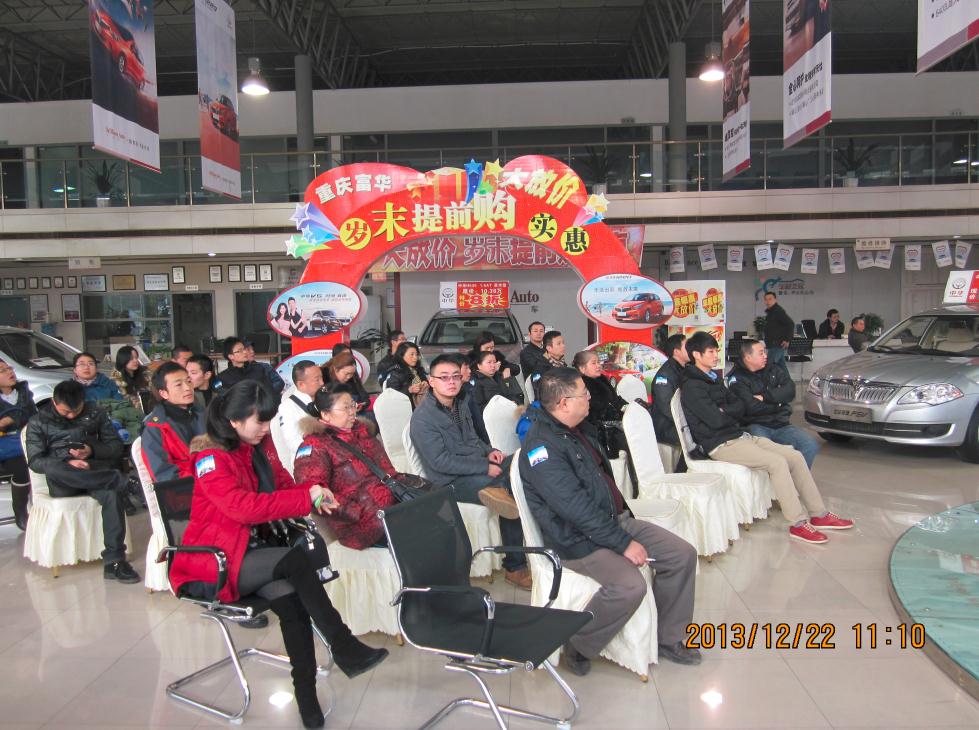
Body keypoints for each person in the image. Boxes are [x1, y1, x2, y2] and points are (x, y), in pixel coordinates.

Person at [168, 382, 388, 728]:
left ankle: (306, 695)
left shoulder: (259, 444)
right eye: (260, 421)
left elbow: (284, 483)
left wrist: (314, 492)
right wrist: (304, 499)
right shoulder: (211, 458)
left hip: (256, 551)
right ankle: (342, 642)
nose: (266, 428)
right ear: (234, 421)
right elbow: (242, 508)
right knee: (293, 562)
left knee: (293, 603)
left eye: (268, 420)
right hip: (215, 558)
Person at [519, 368, 700, 674]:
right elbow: (575, 509)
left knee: (682, 555)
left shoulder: (578, 429)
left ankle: (669, 637)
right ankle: (578, 643)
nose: (590, 397)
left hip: (613, 521)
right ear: (564, 403)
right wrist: (623, 543)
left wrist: (622, 528)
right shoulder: (542, 448)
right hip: (577, 540)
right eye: (584, 393)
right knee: (629, 586)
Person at [679, 332, 853, 544]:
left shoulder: (713, 379)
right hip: (721, 444)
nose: (716, 355)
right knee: (777, 462)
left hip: (739, 436)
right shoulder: (692, 386)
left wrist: (727, 410)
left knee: (795, 457)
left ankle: (819, 514)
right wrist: (728, 411)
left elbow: (740, 407)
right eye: (711, 352)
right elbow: (716, 420)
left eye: (717, 351)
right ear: (696, 355)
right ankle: (798, 523)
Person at [409, 354, 531, 589]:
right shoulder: (423, 419)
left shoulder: (460, 403)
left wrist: (489, 451)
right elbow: (440, 462)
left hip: (476, 467)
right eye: (444, 377)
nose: (451, 382)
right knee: (510, 488)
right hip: (450, 482)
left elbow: (473, 439)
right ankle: (515, 567)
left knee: (521, 463)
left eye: (456, 376)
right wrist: (485, 466)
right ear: (431, 381)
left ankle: (532, 532)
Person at [25, 380, 140, 583]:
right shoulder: (38, 421)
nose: (71, 416)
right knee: (55, 468)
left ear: (83, 401)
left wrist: (91, 450)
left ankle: (114, 562)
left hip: (93, 473)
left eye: (76, 411)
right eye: (65, 412)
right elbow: (35, 461)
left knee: (111, 496)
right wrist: (67, 461)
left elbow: (115, 447)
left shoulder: (96, 413)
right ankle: (120, 481)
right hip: (64, 481)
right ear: (54, 402)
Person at [293, 384, 397, 550]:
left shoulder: (362, 432)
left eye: (353, 405)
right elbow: (313, 494)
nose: (352, 412)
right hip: (363, 525)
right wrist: (358, 512)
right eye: (345, 408)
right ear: (325, 414)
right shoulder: (314, 446)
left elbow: (388, 471)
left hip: (393, 507)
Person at [727, 339, 820, 468]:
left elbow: (790, 390)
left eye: (765, 352)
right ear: (748, 357)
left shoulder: (773, 369)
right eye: (761, 353)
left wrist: (765, 397)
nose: (765, 356)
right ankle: (776, 478)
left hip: (781, 423)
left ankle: (795, 478)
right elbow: (750, 407)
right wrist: (778, 403)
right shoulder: (737, 378)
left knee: (809, 445)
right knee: (768, 454)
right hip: (755, 425)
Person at [140, 362, 206, 483]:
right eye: (178, 385)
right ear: (164, 393)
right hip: (187, 487)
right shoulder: (155, 428)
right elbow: (164, 475)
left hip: (216, 481)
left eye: (189, 381)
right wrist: (204, 477)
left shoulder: (203, 414)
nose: (187, 388)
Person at [0, 359, 37, 530]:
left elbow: (33, 416)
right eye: (2, 370)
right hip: (5, 448)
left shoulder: (24, 392)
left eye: (9, 368)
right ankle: (20, 512)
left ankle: (39, 510)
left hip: (26, 442)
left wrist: (11, 420)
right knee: (21, 465)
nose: (9, 372)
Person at [572, 350, 629, 458]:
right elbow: (596, 410)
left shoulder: (602, 379)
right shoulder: (582, 385)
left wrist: (628, 407)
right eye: (593, 363)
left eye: (598, 362)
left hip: (615, 425)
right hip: (601, 432)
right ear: (582, 368)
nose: (598, 365)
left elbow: (615, 399)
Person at [277, 360, 324, 466]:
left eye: (322, 378)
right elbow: (292, 442)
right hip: (308, 463)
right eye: (317, 380)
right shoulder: (287, 407)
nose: (322, 383)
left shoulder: (324, 399)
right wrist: (320, 449)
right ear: (301, 384)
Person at [649, 334, 688, 449]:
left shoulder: (684, 369)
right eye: (687, 346)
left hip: (681, 423)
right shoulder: (664, 375)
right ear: (676, 352)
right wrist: (691, 421)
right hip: (668, 428)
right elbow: (667, 408)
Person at [325, 351, 371, 416]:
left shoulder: (352, 378)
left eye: (352, 374)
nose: (349, 377)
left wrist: (362, 405)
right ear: (336, 369)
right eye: (347, 374)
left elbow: (364, 396)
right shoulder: (324, 378)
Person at [384, 342, 429, 408]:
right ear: (402, 355)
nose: (415, 357)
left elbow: (425, 382)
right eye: (412, 354)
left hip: (421, 404)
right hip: (405, 408)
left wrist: (426, 383)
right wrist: (409, 390)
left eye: (416, 354)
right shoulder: (396, 372)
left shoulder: (418, 369)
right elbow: (391, 395)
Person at [111, 345, 151, 411]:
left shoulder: (144, 373)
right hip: (128, 410)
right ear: (123, 360)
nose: (135, 361)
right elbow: (123, 399)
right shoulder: (117, 378)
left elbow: (152, 389)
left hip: (148, 407)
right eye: (131, 358)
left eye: (136, 357)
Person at [763, 292, 794, 372]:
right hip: (773, 344)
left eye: (770, 299)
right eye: (766, 299)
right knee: (781, 367)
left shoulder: (778, 311)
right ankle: (787, 380)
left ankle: (766, 380)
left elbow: (790, 324)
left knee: (769, 366)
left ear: (775, 300)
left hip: (777, 344)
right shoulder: (771, 312)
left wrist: (787, 339)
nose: (768, 301)